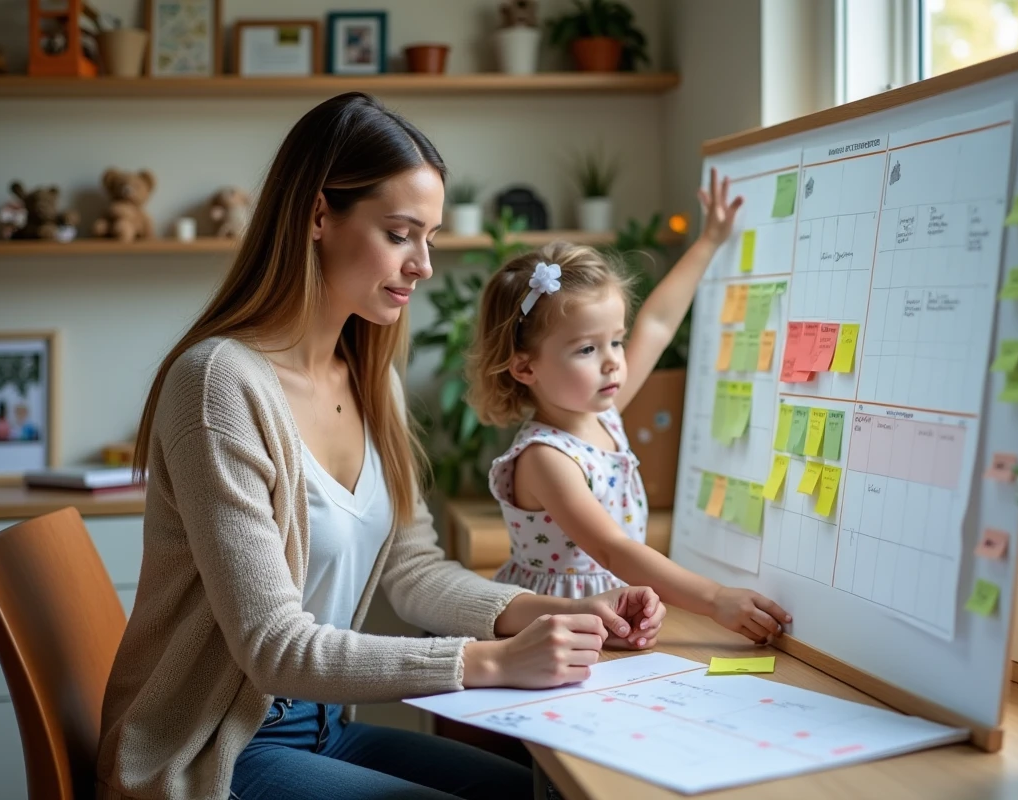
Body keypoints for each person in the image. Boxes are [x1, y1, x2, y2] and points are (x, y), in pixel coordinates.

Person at [95, 92, 666, 800]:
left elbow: (413, 569)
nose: (423, 265)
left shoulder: (371, 381)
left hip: (324, 727)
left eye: (427, 236)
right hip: (217, 750)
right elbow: (274, 649)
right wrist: (487, 662)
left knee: (539, 793)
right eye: (401, 234)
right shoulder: (219, 385)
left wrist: (559, 613)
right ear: (317, 215)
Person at [465, 167, 792, 646]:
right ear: (524, 368)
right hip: (553, 626)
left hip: (614, 615)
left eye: (616, 341)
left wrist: (709, 240)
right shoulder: (545, 458)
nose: (614, 363)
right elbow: (612, 548)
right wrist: (716, 597)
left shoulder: (603, 410)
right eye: (586, 349)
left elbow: (658, 322)